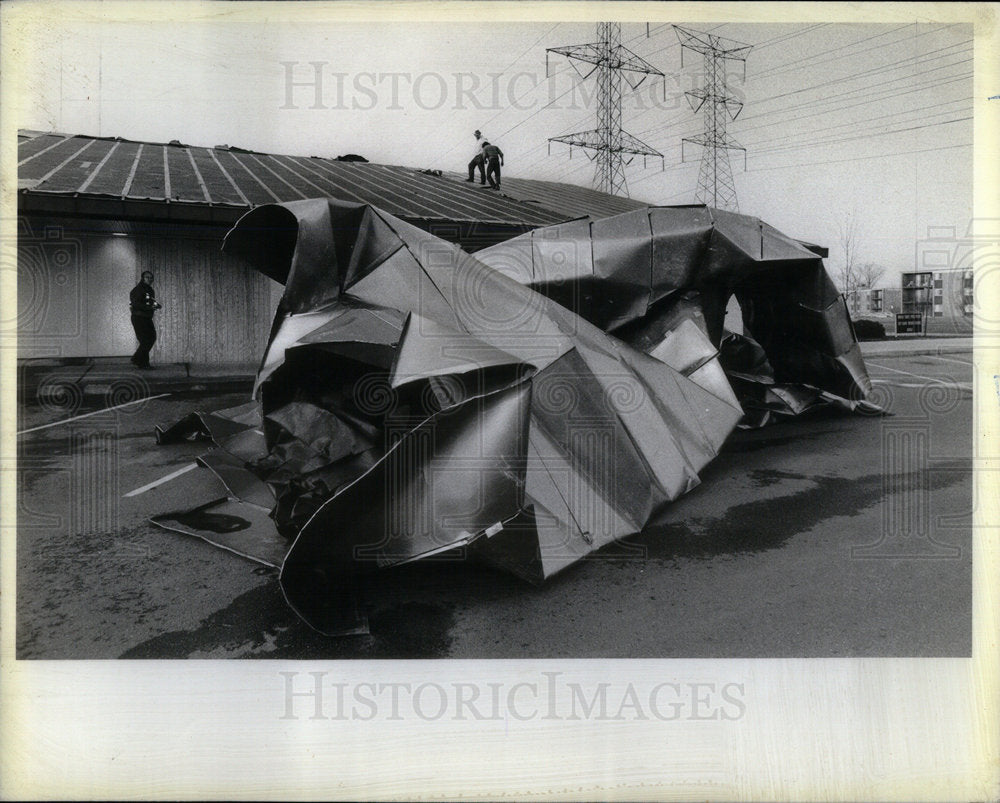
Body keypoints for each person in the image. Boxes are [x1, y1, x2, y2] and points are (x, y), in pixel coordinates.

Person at [129, 270, 162, 369]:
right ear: (142, 278)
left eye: (151, 277)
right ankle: (138, 360)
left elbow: (150, 301)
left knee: (149, 339)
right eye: (147, 277)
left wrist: (156, 305)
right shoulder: (137, 290)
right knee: (146, 340)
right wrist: (149, 308)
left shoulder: (149, 290)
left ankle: (141, 363)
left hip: (146, 317)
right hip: (139, 317)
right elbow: (136, 304)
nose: (150, 279)